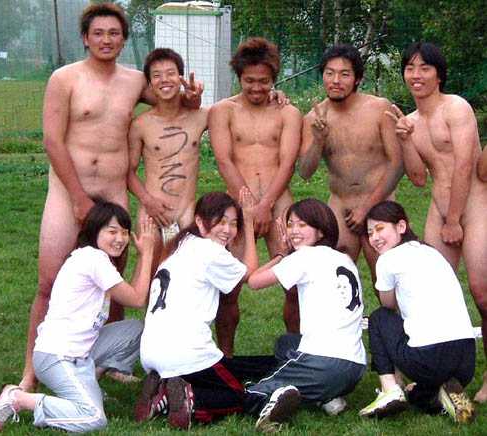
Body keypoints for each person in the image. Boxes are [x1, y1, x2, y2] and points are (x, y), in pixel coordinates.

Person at [20, 2, 203, 394]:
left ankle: (112, 362)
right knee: (48, 282)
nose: (106, 40)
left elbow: (170, 102)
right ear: (85, 38)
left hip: (113, 189)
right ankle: (30, 372)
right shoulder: (64, 78)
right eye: (99, 33)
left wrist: (192, 99)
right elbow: (53, 141)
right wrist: (77, 198)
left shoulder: (135, 81)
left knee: (115, 281)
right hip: (68, 191)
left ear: (123, 40)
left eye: (114, 33)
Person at [0, 200, 156, 433]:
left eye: (125, 232)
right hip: (58, 356)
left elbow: (133, 294)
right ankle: (17, 398)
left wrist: (144, 254)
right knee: (94, 418)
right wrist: (147, 253)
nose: (120, 238)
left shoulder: (92, 258)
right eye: (112, 231)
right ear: (95, 230)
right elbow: (137, 299)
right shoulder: (93, 259)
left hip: (80, 354)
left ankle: (87, 383)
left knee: (135, 330)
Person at [386, 41, 487, 402]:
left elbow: (464, 164)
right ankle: (430, 371)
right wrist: (405, 140)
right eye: (410, 68)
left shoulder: (456, 108)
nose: (416, 75)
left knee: (482, 293)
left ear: (439, 74)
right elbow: (417, 178)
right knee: (425, 292)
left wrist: (455, 220)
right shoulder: (412, 121)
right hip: (439, 209)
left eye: (424, 68)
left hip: (474, 207)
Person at [136, 189, 279, 430]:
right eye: (221, 222)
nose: (228, 230)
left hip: (151, 354)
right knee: (242, 395)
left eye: (234, 223)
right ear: (200, 222)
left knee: (253, 367)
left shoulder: (177, 249)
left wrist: (280, 257)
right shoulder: (209, 251)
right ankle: (187, 399)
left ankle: (163, 390)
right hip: (187, 355)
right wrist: (248, 222)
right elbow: (251, 273)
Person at [209, 37, 303, 356]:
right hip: (237, 205)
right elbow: (224, 160)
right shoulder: (223, 111)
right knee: (228, 286)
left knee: (295, 283)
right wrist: (249, 206)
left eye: (264, 81)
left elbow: (288, 162)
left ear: (274, 78)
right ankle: (226, 356)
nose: (257, 88)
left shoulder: (288, 113)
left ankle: (297, 352)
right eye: (249, 80)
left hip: (279, 202)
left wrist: (266, 205)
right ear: (239, 76)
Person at [245, 198, 366, 432]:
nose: (293, 231)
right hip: (354, 367)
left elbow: (254, 281)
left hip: (324, 363)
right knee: (286, 344)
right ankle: (326, 397)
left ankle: (275, 397)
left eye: (302, 225)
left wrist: (282, 254)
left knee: (251, 392)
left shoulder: (304, 257)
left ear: (321, 230)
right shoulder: (344, 258)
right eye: (290, 224)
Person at [359, 201, 475, 423]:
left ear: (401, 227)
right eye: (370, 232)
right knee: (417, 396)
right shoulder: (431, 252)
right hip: (466, 360)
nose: (374, 237)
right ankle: (442, 393)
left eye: (380, 228)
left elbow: (388, 305)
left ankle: (390, 389)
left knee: (379, 318)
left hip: (430, 358)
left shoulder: (387, 259)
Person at [298, 44, 402, 280]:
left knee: (385, 278)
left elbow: (397, 164)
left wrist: (367, 208)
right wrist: (318, 140)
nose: (336, 80)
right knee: (333, 279)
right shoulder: (313, 118)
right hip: (340, 208)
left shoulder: (379, 109)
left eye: (344, 74)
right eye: (330, 73)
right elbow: (305, 171)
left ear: (357, 79)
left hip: (379, 205)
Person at [128, 48, 209, 269]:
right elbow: (127, 171)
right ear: (149, 84)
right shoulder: (140, 125)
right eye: (156, 75)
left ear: (180, 77)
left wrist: (273, 94)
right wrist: (148, 201)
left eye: (171, 73)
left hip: (187, 211)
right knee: (148, 273)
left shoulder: (201, 117)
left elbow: (233, 109)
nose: (164, 80)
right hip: (152, 212)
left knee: (188, 276)